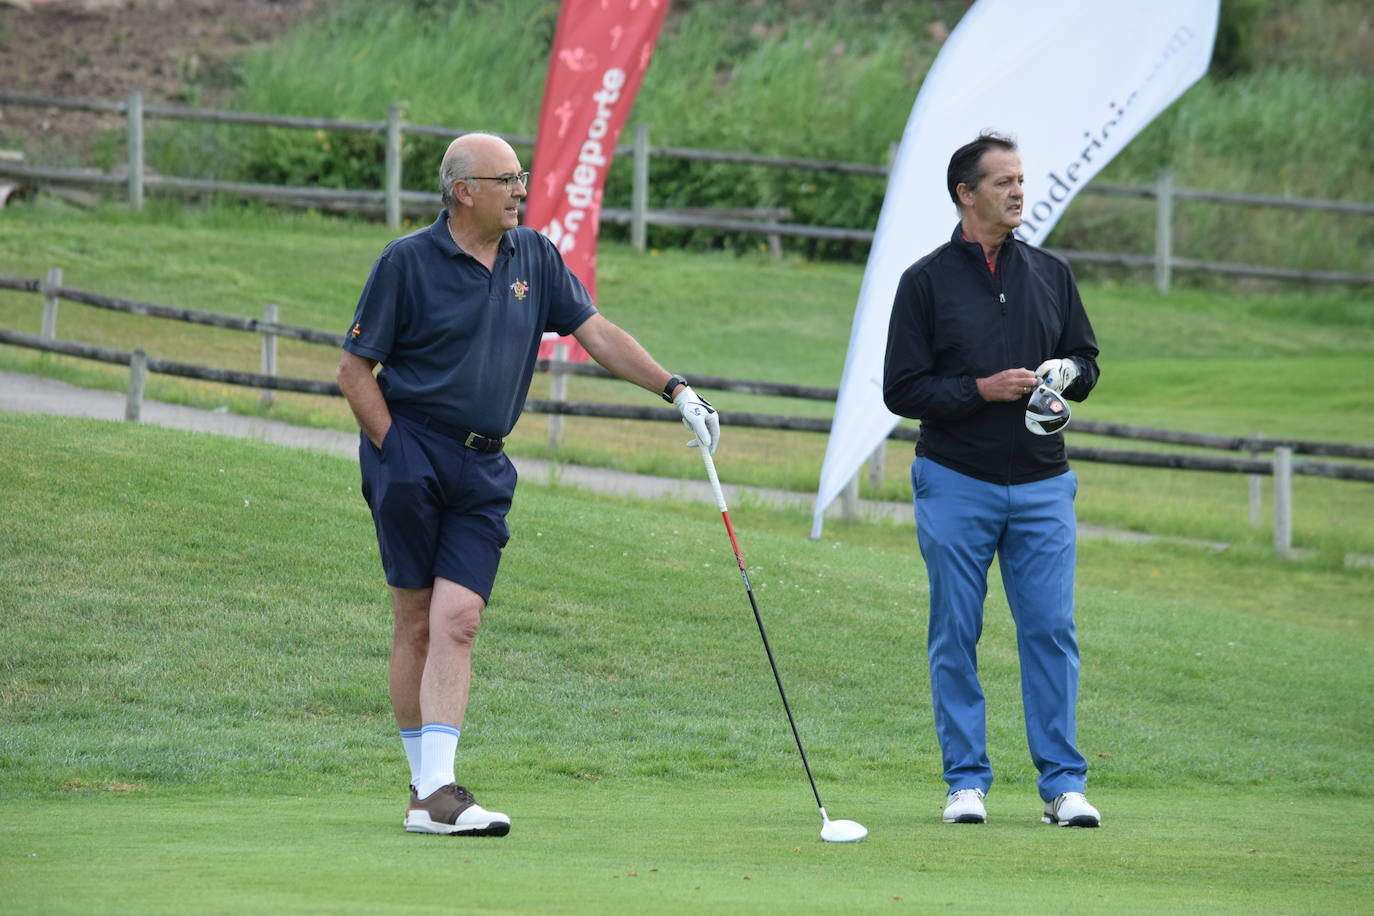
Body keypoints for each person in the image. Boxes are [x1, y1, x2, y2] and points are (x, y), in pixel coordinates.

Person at [336, 132, 720, 837]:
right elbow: (355, 369)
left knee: (461, 618)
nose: (521, 189)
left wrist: (675, 388)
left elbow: (595, 331)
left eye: (523, 176)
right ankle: (430, 792)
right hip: (411, 451)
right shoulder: (408, 262)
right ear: (464, 192)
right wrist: (393, 450)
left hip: (486, 464)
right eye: (508, 178)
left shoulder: (534, 256)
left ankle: (437, 790)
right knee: (417, 618)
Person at [882, 132, 1102, 828]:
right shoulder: (925, 281)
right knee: (955, 630)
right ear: (965, 193)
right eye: (1002, 181)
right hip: (955, 478)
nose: (1017, 192)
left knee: (1051, 631)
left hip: (1043, 483)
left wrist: (1069, 374)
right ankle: (965, 783)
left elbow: (1086, 362)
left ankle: (1063, 787)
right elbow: (902, 389)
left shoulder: (1051, 273)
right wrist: (981, 389)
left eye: (1020, 180)